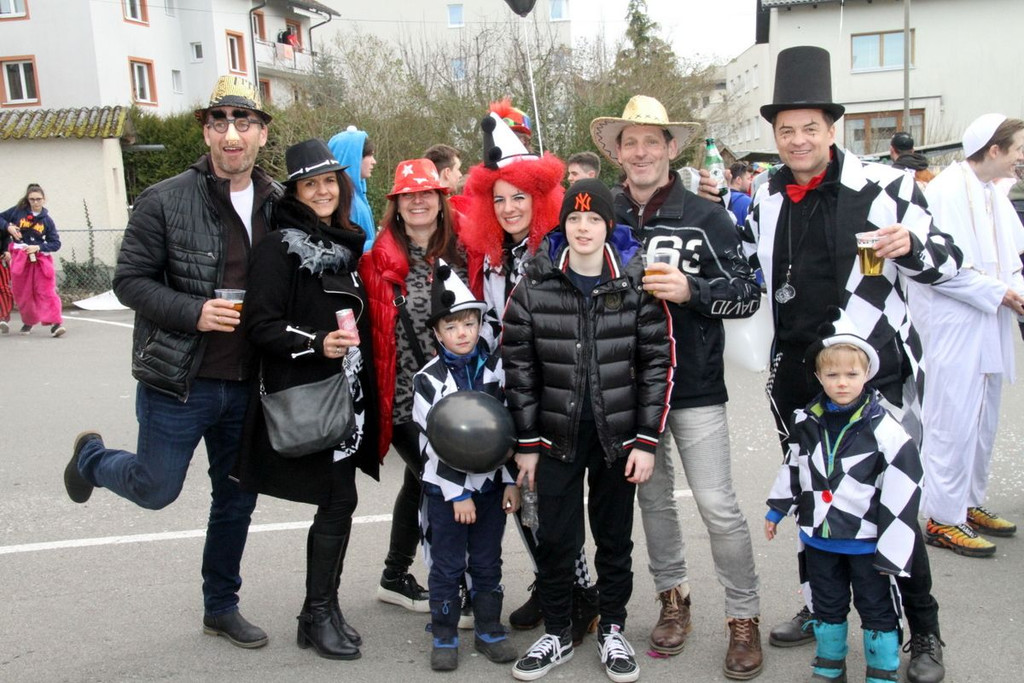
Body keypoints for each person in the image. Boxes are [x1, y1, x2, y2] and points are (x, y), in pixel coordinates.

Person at [741, 46, 960, 683]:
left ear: (832, 129)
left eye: (810, 127)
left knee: (896, 502)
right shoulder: (764, 196)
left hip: (875, 374)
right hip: (800, 376)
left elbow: (948, 261)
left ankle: (924, 631)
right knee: (815, 493)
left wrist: (911, 245)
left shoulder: (889, 186)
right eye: (786, 130)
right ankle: (821, 606)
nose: (798, 140)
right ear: (775, 135)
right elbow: (749, 276)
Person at [62, 75, 280, 648]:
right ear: (206, 132)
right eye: (219, 122)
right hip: (181, 379)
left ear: (261, 133)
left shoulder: (280, 204)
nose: (231, 134)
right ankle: (91, 459)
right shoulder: (163, 199)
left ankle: (220, 606)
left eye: (244, 122)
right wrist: (194, 312)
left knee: (236, 499)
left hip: (248, 384)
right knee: (156, 488)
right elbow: (129, 281)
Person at [590, 94, 765, 679]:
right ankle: (673, 598)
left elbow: (748, 293)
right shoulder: (602, 211)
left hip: (693, 384)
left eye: (651, 141)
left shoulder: (706, 215)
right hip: (628, 387)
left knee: (717, 505)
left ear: (670, 148)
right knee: (653, 501)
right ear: (617, 152)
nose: (641, 152)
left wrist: (693, 291)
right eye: (630, 142)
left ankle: (743, 616)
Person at [503, 179, 672, 682]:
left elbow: (657, 363)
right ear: (563, 225)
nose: (583, 228)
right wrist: (526, 443)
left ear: (608, 226)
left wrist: (647, 441)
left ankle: (613, 628)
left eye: (593, 219)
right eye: (574, 219)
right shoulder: (535, 283)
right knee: (556, 539)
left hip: (617, 438)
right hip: (554, 437)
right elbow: (519, 367)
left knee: (614, 539)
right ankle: (557, 631)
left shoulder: (636, 284)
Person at [461, 114, 603, 645]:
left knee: (551, 502)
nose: (508, 208)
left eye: (519, 197)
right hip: (507, 390)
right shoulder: (494, 254)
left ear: (540, 198)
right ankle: (553, 582)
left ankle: (580, 594)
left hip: (552, 395)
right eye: (498, 199)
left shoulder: (559, 253)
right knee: (523, 498)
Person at [236, 138, 380, 660]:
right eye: (310, 184)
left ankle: (321, 610)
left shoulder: (342, 242)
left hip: (345, 393)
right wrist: (316, 343)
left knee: (341, 500)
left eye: (328, 182)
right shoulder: (279, 247)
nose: (322, 191)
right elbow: (260, 325)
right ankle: (316, 614)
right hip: (311, 394)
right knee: (336, 500)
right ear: (295, 193)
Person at [765, 309, 923, 683]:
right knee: (827, 604)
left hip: (867, 542)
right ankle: (829, 665)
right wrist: (776, 509)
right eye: (832, 375)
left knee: (877, 608)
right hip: (820, 539)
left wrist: (894, 547)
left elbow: (904, 488)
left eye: (851, 375)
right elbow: (794, 466)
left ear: (866, 374)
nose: (841, 383)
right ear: (819, 376)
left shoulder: (887, 431)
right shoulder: (805, 421)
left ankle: (881, 671)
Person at [359, 158, 483, 616]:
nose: (417, 201)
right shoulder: (376, 261)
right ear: (395, 204)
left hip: (461, 392)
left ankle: (394, 576)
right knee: (447, 485)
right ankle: (459, 588)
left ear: (440, 199)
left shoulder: (466, 250)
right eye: (407, 195)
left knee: (418, 482)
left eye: (426, 193)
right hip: (407, 402)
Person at [907, 114, 1024, 557]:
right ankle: (942, 516)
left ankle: (967, 502)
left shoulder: (993, 194)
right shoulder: (945, 192)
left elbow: (1010, 261)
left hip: (988, 320)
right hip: (952, 326)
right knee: (951, 422)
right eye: (1017, 149)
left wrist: (1013, 291)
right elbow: (938, 269)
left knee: (982, 421)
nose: (1021, 158)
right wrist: (1002, 293)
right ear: (994, 149)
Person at [411, 261, 519, 671]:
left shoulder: (495, 371)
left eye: (470, 324)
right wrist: (457, 492)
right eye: (452, 326)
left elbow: (505, 431)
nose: (462, 333)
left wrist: (509, 482)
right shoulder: (427, 379)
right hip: (447, 492)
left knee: (488, 560)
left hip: (491, 486)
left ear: (479, 326)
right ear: (438, 333)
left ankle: (489, 629)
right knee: (448, 564)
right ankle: (445, 634)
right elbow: (432, 442)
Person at [1, 184, 66, 337]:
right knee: (23, 293)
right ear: (28, 199)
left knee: (47, 291)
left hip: (40, 259)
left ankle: (55, 323)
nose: (35, 202)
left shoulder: (47, 220)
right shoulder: (17, 212)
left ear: (44, 199)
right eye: (32, 199)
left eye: (38, 199)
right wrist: (8, 227)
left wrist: (38, 247)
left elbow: (55, 243)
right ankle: (28, 321)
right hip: (20, 258)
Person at [327, 125, 377, 251]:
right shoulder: (343, 202)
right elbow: (345, 249)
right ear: (354, 158)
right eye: (369, 155)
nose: (374, 161)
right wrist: (379, 243)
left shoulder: (356, 196)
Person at [424, 143, 469, 217]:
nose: (460, 174)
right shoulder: (452, 214)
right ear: (447, 172)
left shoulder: (420, 207)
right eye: (458, 169)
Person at [727, 162, 754, 227]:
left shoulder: (720, 199)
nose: (750, 182)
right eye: (748, 179)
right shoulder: (747, 202)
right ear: (738, 180)